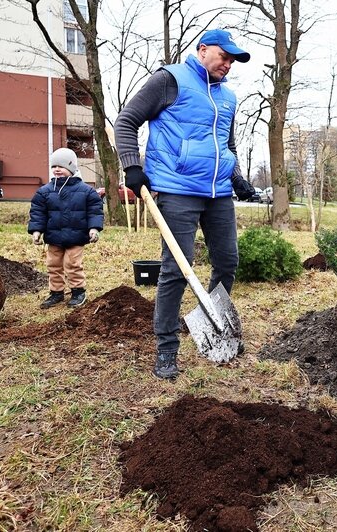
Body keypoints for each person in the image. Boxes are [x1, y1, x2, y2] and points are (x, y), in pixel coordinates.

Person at [114, 29, 253, 380]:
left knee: (227, 261)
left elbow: (227, 145)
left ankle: (211, 325)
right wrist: (132, 166)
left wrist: (237, 179)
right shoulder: (169, 79)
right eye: (224, 56)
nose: (228, 65)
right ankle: (166, 349)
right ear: (203, 49)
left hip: (218, 192)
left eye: (233, 60)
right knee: (177, 268)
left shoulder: (229, 98)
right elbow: (127, 120)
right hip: (177, 188)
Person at [28, 148, 104, 309]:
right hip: (54, 237)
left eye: (61, 166)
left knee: (73, 264)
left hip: (76, 237)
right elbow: (38, 212)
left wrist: (94, 228)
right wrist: (36, 230)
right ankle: (56, 292)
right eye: (54, 166)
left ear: (72, 167)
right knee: (53, 265)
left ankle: (78, 292)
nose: (57, 169)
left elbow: (95, 211)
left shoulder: (86, 191)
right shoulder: (45, 192)